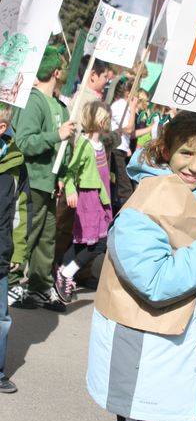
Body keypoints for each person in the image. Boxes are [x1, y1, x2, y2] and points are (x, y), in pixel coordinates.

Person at [19, 112, 196, 421]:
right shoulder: (144, 203)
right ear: (165, 149)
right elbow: (156, 282)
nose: (195, 166)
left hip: (186, 360)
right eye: (186, 152)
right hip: (147, 359)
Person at [9, 46, 75, 311]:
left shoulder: (60, 106)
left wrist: (60, 175)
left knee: (47, 238)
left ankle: (39, 287)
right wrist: (56, 136)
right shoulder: (33, 101)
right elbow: (23, 143)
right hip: (32, 181)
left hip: (49, 183)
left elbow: (63, 148)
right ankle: (12, 282)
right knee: (26, 234)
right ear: (56, 72)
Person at [55, 101, 113, 303]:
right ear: (94, 118)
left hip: (100, 200)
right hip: (88, 200)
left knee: (86, 241)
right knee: (97, 243)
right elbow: (71, 172)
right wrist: (70, 190)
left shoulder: (101, 145)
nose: (107, 119)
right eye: (103, 116)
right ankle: (66, 272)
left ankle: (64, 269)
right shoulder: (84, 144)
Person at [0, 103, 26, 393]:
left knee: (1, 317)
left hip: (1, 249)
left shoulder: (14, 165)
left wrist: (18, 250)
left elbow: (23, 210)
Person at [110, 79, 139, 212]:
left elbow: (130, 132)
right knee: (125, 188)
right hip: (116, 149)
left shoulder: (124, 106)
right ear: (128, 94)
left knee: (122, 185)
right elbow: (128, 128)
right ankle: (124, 214)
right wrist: (133, 109)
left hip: (121, 149)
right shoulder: (121, 105)